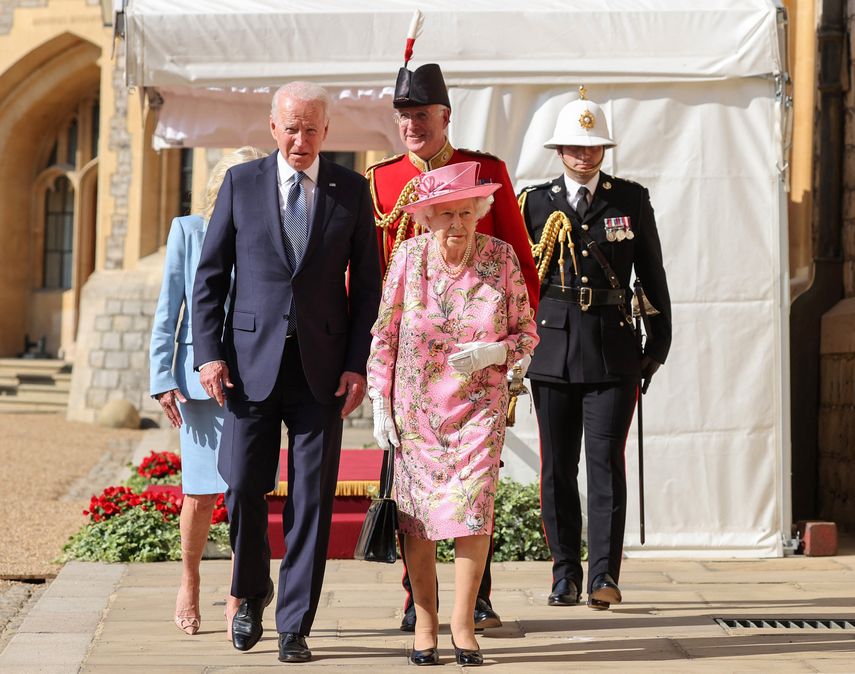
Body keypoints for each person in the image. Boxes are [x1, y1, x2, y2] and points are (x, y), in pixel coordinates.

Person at [191, 82, 381, 664]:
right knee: (245, 486)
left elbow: (368, 287)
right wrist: (209, 354)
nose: (300, 140)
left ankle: (296, 623)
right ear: (273, 127)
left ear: (327, 131)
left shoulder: (352, 191)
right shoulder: (241, 185)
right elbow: (211, 278)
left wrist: (356, 365)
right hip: (248, 369)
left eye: (311, 129)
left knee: (313, 501)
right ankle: (250, 592)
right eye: (290, 128)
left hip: (321, 372)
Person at [366, 59, 540, 633]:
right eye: (405, 116)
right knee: (414, 503)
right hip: (415, 364)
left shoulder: (485, 169)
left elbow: (517, 252)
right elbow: (375, 275)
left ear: (446, 116)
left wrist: (508, 354)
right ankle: (418, 604)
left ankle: (473, 603)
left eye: (423, 115)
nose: (413, 125)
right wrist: (376, 383)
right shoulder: (384, 177)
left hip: (477, 358)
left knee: (474, 497)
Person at [519, 90, 671, 611]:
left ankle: (604, 574)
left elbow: (651, 273)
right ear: (558, 150)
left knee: (605, 463)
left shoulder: (629, 199)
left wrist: (658, 343)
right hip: (553, 347)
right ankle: (564, 573)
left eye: (593, 148)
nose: (585, 157)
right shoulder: (535, 203)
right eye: (575, 148)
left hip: (612, 348)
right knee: (557, 467)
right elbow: (522, 279)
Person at [149, 146, 267, 637]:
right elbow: (169, 306)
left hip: (258, 377)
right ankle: (190, 579)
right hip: (199, 381)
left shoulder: (269, 232)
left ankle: (241, 591)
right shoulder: (188, 231)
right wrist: (163, 378)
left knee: (245, 492)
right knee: (199, 495)